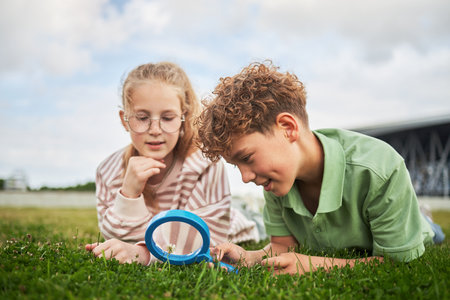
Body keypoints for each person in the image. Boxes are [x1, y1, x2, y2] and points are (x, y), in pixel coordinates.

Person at [196, 61, 445, 275]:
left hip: (421, 230)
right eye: (236, 166)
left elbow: (398, 262)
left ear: (287, 128)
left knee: (430, 232)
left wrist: (313, 265)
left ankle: (423, 218)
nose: (245, 176)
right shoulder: (274, 182)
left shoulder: (379, 169)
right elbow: (284, 247)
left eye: (247, 157)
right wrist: (248, 257)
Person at [85, 62, 259, 265]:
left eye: (168, 118)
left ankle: (249, 207)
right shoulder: (108, 171)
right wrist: (129, 195)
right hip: (169, 231)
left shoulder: (204, 165)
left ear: (183, 117)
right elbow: (115, 238)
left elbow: (204, 241)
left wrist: (143, 254)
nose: (155, 129)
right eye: (142, 117)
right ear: (125, 120)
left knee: (250, 215)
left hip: (235, 225)